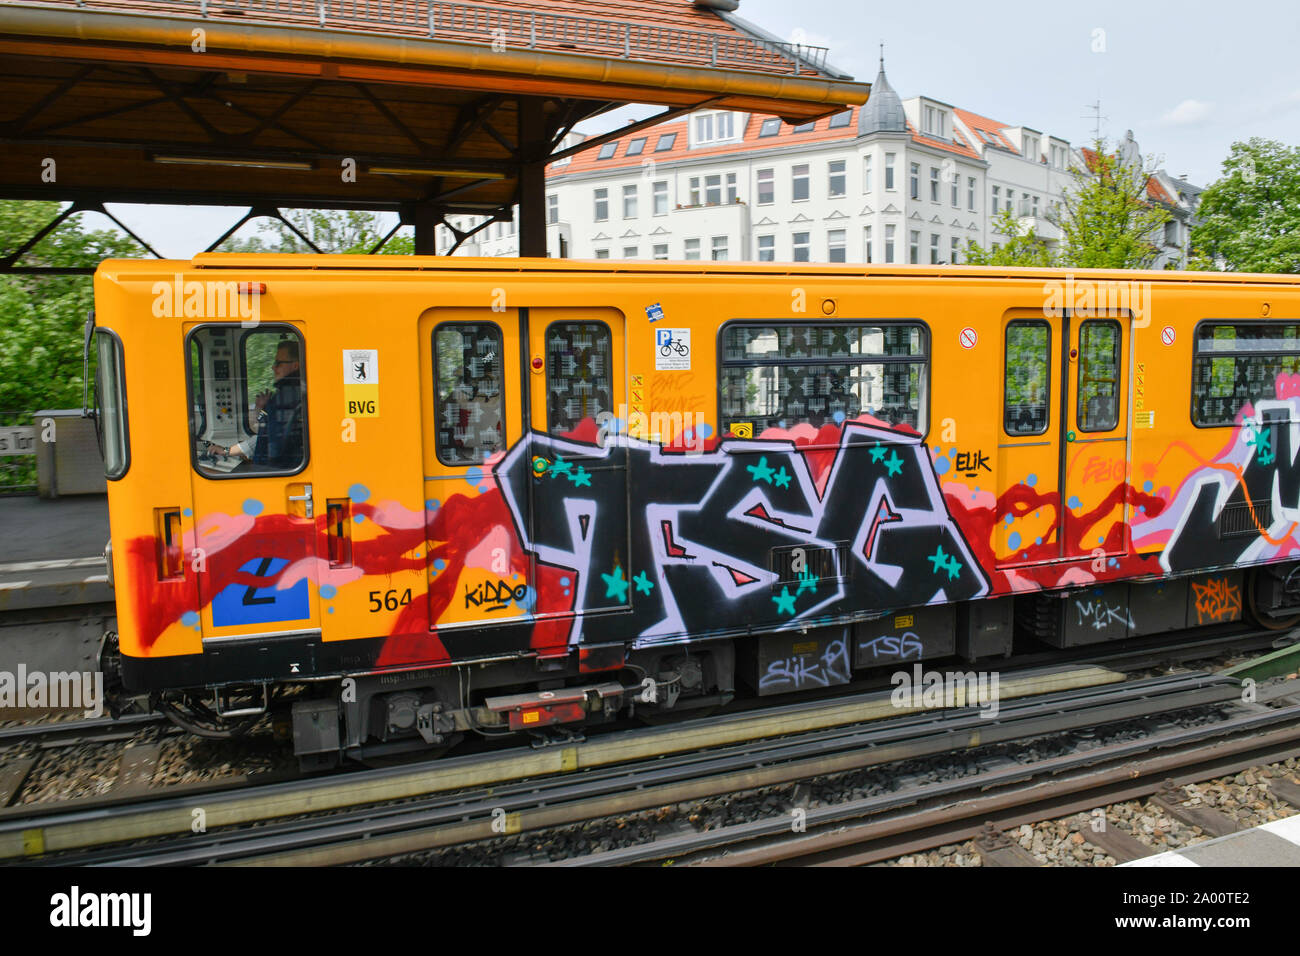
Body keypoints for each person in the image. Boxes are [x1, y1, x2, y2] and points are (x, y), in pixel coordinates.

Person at [208, 339, 304, 469]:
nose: (273, 367)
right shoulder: (287, 396)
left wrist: (227, 451)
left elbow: (273, 443)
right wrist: (261, 409)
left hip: (276, 472)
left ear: (295, 366)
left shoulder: (288, 398)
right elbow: (265, 434)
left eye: (278, 363)